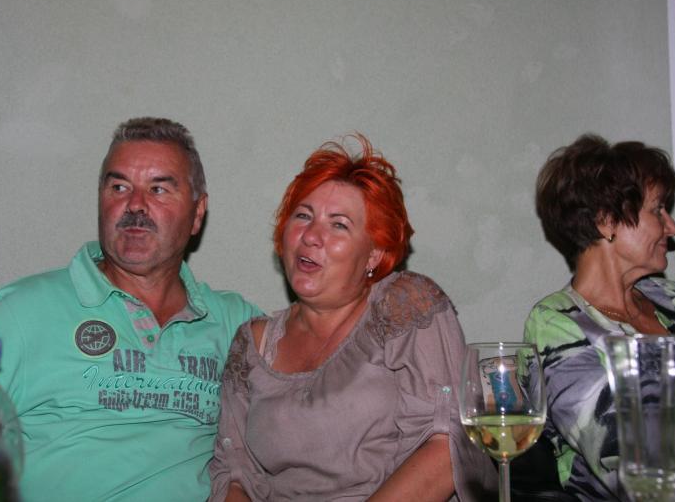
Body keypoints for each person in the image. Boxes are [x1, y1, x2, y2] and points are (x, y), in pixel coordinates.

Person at [0, 117, 262, 502]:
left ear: (197, 213)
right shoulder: (21, 312)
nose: (135, 205)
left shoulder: (234, 322)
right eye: (119, 187)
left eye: (159, 189)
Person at [209, 134, 496, 501]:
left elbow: (446, 446)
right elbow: (234, 473)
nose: (311, 236)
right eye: (303, 216)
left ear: (374, 254)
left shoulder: (404, 305)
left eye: (339, 224)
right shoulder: (252, 343)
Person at [524, 133, 675, 500]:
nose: (672, 227)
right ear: (606, 220)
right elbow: (636, 468)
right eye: (658, 210)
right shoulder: (558, 325)